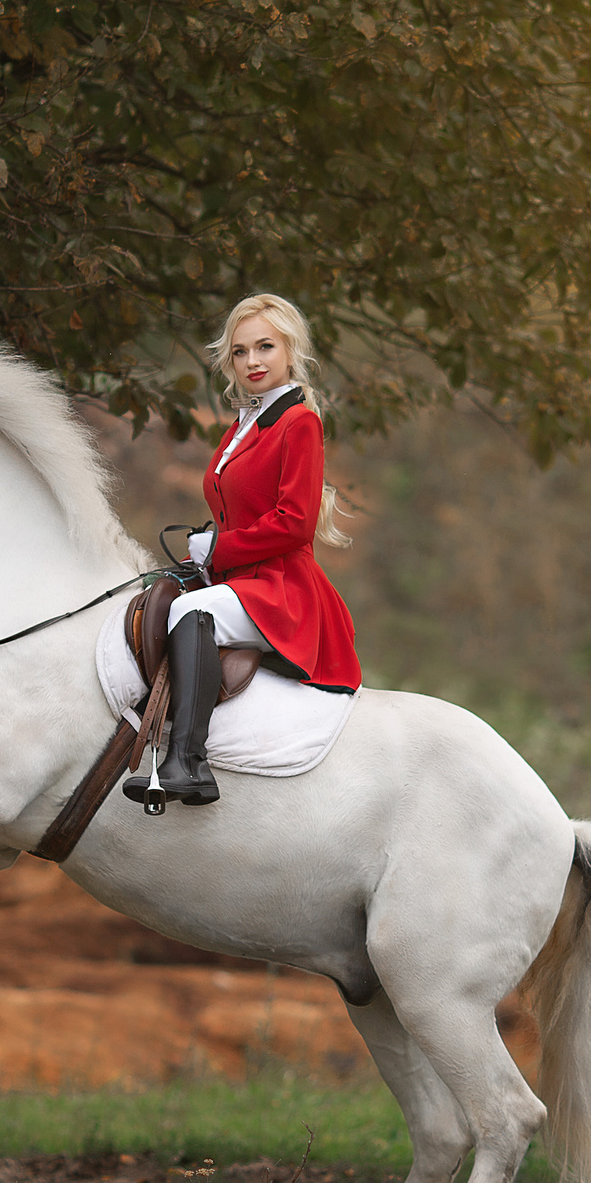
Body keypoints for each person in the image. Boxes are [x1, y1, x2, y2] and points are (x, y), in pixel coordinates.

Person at [124, 294, 360, 809]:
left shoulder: (299, 423)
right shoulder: (241, 426)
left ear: (290, 350)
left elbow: (295, 524)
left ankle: (188, 762)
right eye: (240, 351)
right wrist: (207, 554)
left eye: (265, 347)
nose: (252, 361)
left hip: (282, 589)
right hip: (240, 580)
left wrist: (219, 548)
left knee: (189, 611)